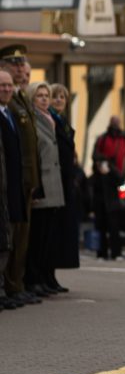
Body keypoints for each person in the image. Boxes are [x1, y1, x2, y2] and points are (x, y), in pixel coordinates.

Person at [0, 45, 41, 306]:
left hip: (23, 180)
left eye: (21, 65)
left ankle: (17, 283)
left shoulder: (20, 98)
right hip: (12, 181)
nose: (19, 70)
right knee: (10, 237)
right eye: (13, 65)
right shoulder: (11, 102)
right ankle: (11, 285)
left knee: (20, 237)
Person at [24, 82, 65, 297]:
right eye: (39, 95)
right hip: (42, 187)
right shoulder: (33, 120)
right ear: (32, 98)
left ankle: (43, 277)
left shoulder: (50, 119)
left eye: (46, 95)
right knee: (37, 238)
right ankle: (34, 279)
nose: (44, 99)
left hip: (54, 186)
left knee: (47, 239)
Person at [48, 84, 79, 284]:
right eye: (55, 96)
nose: (59, 100)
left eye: (62, 97)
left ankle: (51, 275)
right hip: (55, 180)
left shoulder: (63, 122)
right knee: (52, 231)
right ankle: (46, 275)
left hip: (67, 181)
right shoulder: (50, 120)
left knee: (59, 231)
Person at [92, 116, 125, 260]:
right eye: (113, 121)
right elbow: (95, 156)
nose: (115, 123)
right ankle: (102, 252)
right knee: (102, 220)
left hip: (121, 182)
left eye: (117, 121)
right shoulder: (102, 139)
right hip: (103, 184)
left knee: (117, 218)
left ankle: (116, 252)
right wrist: (102, 165)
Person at [0, 71, 18, 310]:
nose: (5, 89)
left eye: (8, 85)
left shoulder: (10, 113)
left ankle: (5, 290)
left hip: (7, 188)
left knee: (7, 242)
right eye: (1, 85)